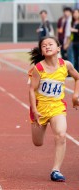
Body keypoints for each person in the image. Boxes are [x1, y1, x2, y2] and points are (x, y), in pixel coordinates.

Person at [28, 36, 79, 182]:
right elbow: (32, 90)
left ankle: (56, 170)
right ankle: (39, 123)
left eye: (50, 44)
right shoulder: (38, 69)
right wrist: (34, 110)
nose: (47, 47)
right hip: (40, 109)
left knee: (61, 135)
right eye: (44, 46)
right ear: (42, 52)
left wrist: (75, 96)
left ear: (58, 48)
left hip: (57, 107)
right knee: (38, 143)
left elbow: (77, 77)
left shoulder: (66, 65)